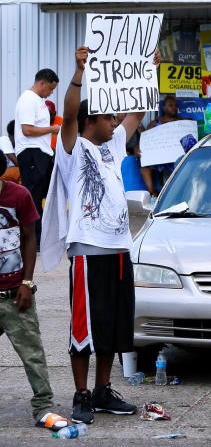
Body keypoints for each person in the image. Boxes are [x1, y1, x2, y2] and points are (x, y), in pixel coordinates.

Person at [46, 47, 156, 424]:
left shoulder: (111, 144)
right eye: (110, 117)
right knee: (84, 329)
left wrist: (146, 74)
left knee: (111, 325)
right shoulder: (72, 148)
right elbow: (71, 109)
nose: (117, 122)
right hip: (87, 252)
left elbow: (137, 113)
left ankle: (103, 391)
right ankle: (80, 395)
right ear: (90, 120)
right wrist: (78, 74)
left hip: (118, 250)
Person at [0, 154, 70, 433]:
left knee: (33, 355)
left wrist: (27, 283)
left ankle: (43, 407)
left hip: (14, 294)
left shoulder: (19, 195)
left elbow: (30, 238)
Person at [15, 68, 60, 245]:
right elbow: (27, 130)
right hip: (31, 152)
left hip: (41, 153)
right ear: (42, 83)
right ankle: (33, 238)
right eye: (50, 89)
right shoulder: (28, 99)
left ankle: (41, 236)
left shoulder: (38, 100)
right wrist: (52, 129)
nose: (51, 93)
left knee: (42, 196)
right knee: (33, 197)